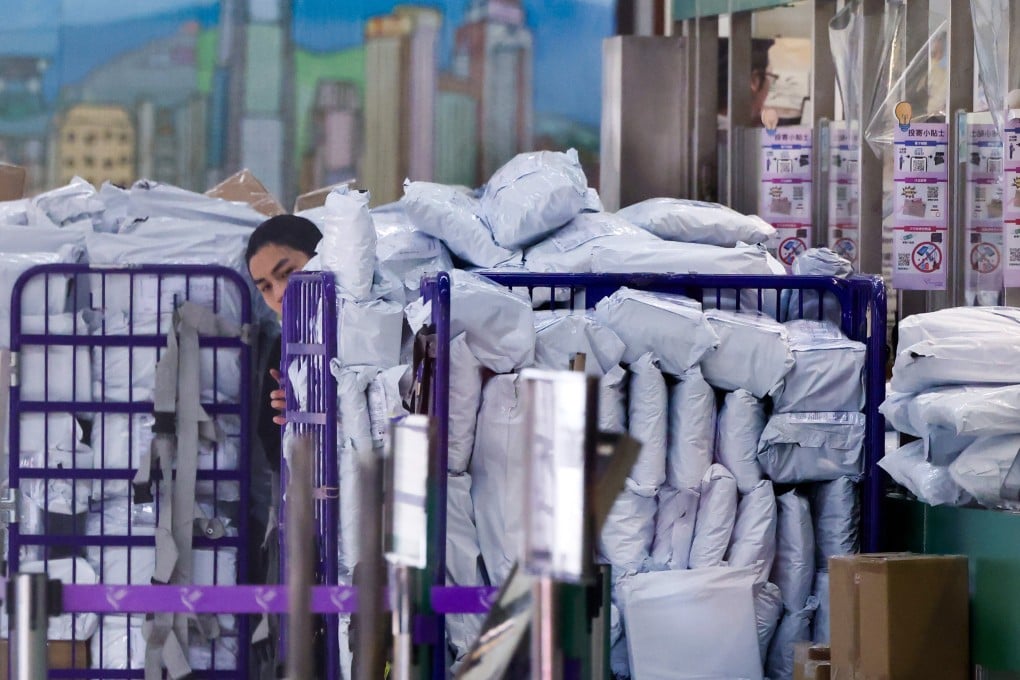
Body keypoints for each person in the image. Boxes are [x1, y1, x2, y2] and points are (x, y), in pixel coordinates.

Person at [245, 214, 322, 461]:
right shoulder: (284, 352)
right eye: (265, 287)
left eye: (287, 272)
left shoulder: (374, 318)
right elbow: (274, 450)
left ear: (321, 257)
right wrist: (296, 417)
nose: (279, 293)